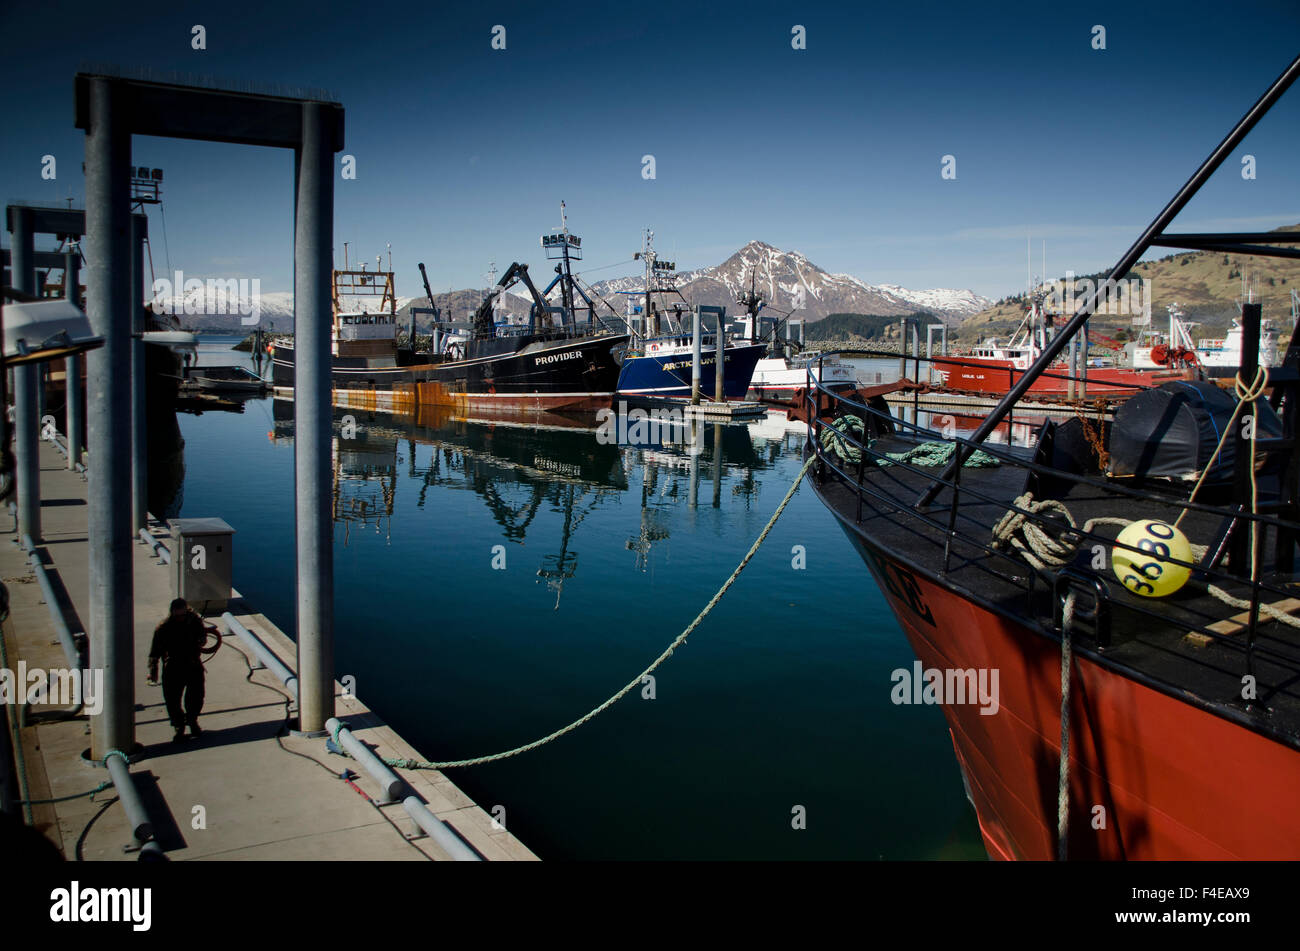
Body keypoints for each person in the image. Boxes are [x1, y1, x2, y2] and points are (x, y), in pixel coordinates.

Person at [147, 598, 220, 742]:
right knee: (172, 700)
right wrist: (153, 670)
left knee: (196, 696)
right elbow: (155, 651)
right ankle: (179, 726)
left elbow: (203, 637)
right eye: (177, 615)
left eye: (183, 615)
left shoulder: (194, 621)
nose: (181, 618)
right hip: (173, 667)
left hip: (193, 664)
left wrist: (201, 640)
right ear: (172, 613)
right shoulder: (163, 628)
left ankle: (192, 720)